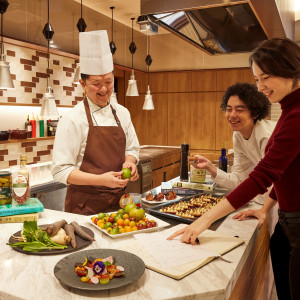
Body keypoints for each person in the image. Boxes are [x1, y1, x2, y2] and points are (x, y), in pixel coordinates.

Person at [168, 37, 300, 300]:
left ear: (290, 70)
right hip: (288, 219)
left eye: (266, 77)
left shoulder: (296, 114)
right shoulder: (288, 108)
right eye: (257, 79)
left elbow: (263, 175)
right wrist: (264, 208)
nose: (261, 86)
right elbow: (282, 171)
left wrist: (206, 219)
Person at [52, 30, 140, 215]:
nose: (104, 89)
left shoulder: (122, 113)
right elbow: (61, 171)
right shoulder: (72, 119)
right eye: (96, 83)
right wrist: (102, 180)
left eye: (109, 82)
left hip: (121, 206)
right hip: (84, 208)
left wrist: (130, 163)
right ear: (83, 85)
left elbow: (132, 149)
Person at [190, 82, 276, 204]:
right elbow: (238, 180)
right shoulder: (238, 135)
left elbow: (270, 186)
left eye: (239, 110)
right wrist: (210, 167)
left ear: (255, 113)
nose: (232, 115)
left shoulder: (266, 136)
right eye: (229, 109)